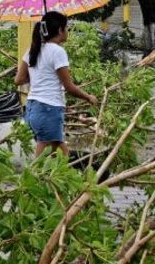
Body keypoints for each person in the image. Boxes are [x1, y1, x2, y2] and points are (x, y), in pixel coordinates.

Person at [14, 11, 98, 157]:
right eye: (66, 28)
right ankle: (33, 178)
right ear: (60, 30)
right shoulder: (58, 52)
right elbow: (69, 87)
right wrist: (88, 97)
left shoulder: (33, 49)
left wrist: (39, 75)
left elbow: (19, 80)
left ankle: (70, 177)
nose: (67, 31)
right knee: (45, 154)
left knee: (59, 149)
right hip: (49, 108)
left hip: (32, 107)